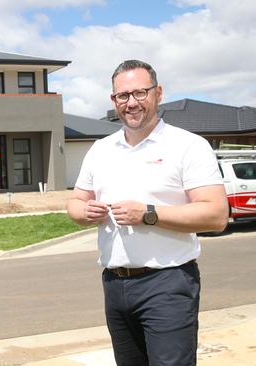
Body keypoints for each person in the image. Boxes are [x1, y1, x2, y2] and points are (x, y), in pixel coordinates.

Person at [67, 60, 227, 365]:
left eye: (140, 93)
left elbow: (216, 215)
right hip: (115, 284)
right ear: (114, 101)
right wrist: (84, 211)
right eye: (123, 96)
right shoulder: (101, 149)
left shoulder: (188, 146)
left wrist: (148, 214)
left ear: (158, 93)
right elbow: (74, 202)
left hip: (168, 283)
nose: (131, 103)